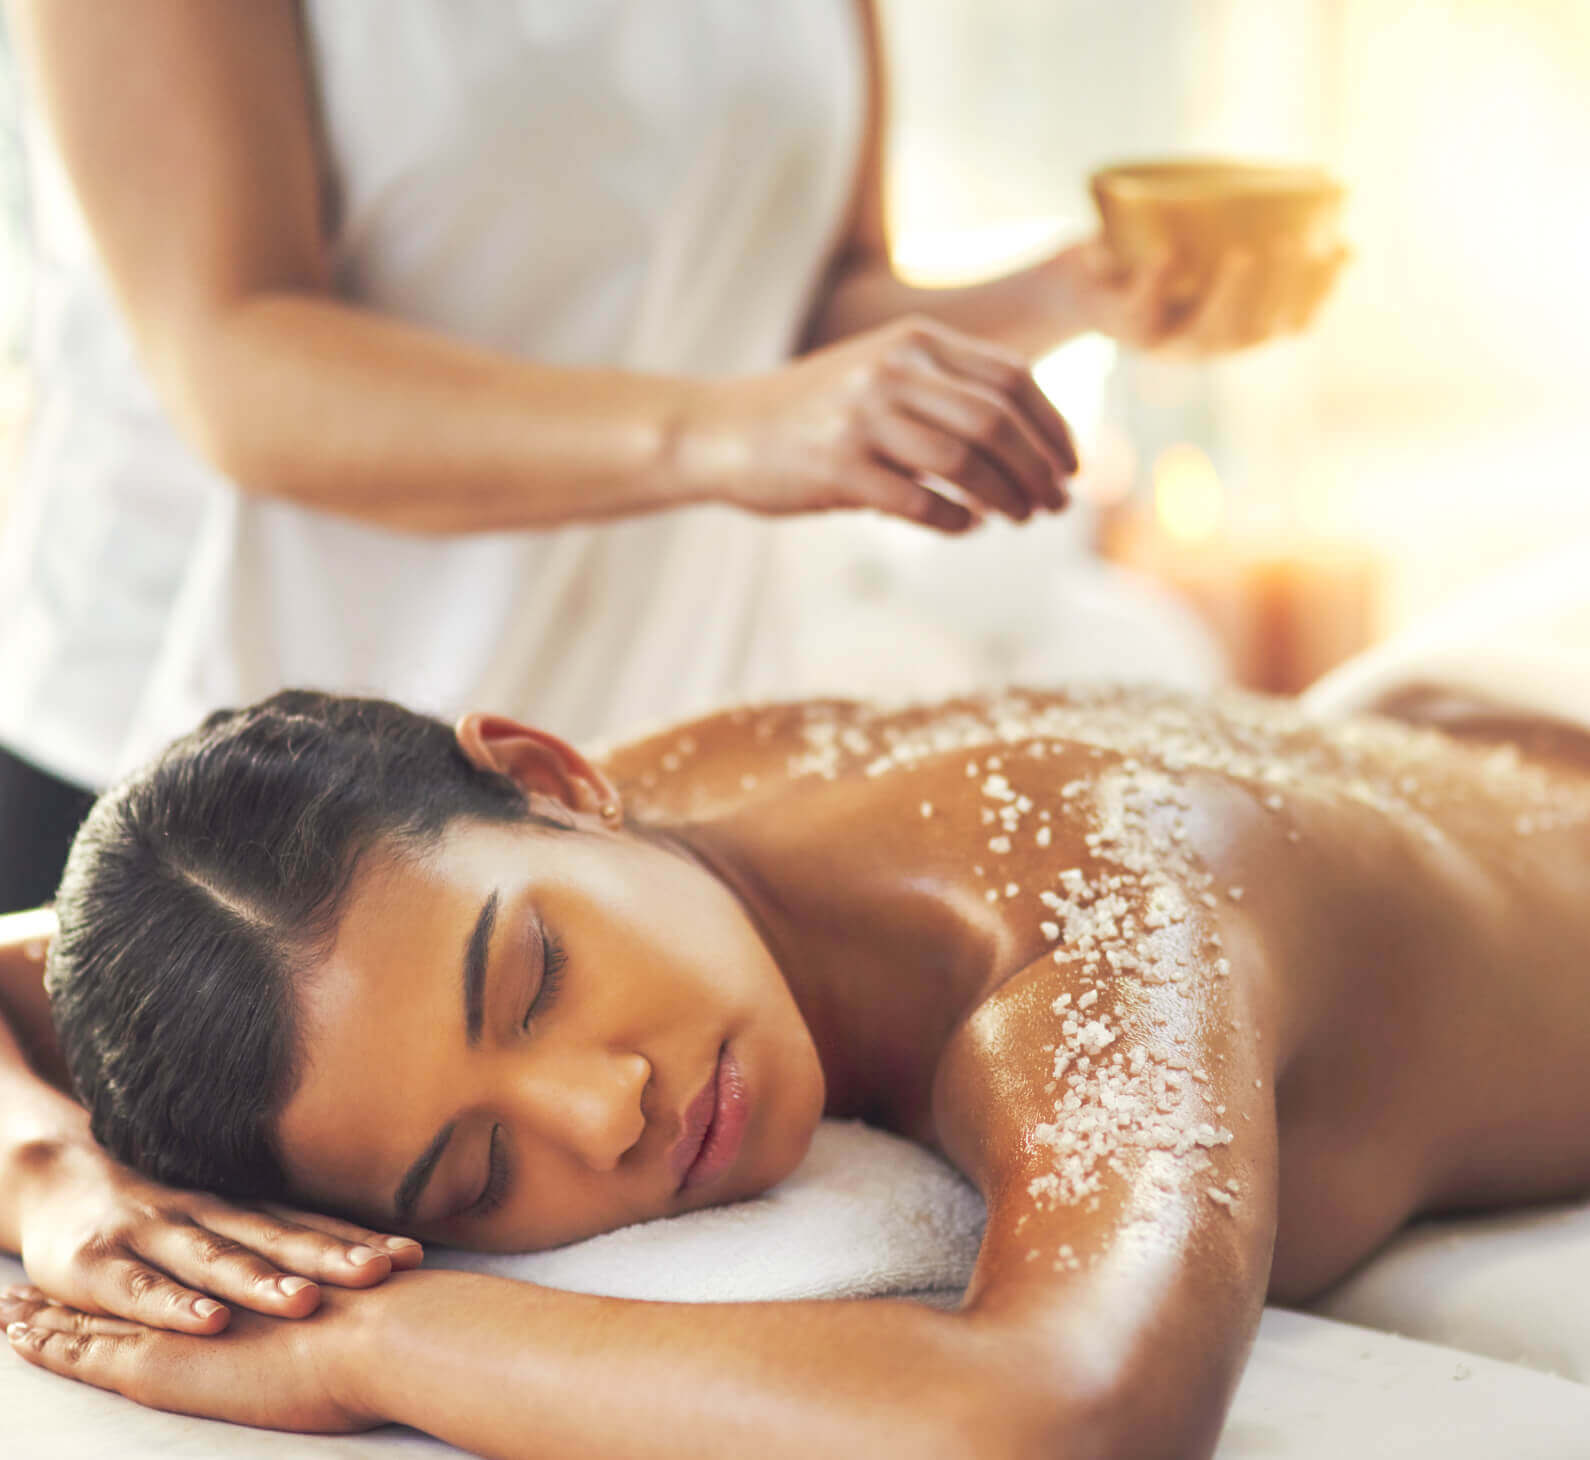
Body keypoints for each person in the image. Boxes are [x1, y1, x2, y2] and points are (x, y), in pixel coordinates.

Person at [3, 667, 1589, 1458]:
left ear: (554, 782)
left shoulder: (1093, 923)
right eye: (474, 1175)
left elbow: (1058, 1413)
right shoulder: (456, 915)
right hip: (1399, 752)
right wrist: (52, 1173)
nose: (597, 1106)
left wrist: (363, 1348)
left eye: (537, 976)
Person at [0, 0, 1342, 913]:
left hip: (610, 769)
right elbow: (238, 367)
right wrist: (732, 430)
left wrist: (1078, 294)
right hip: (192, 794)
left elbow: (803, 308)